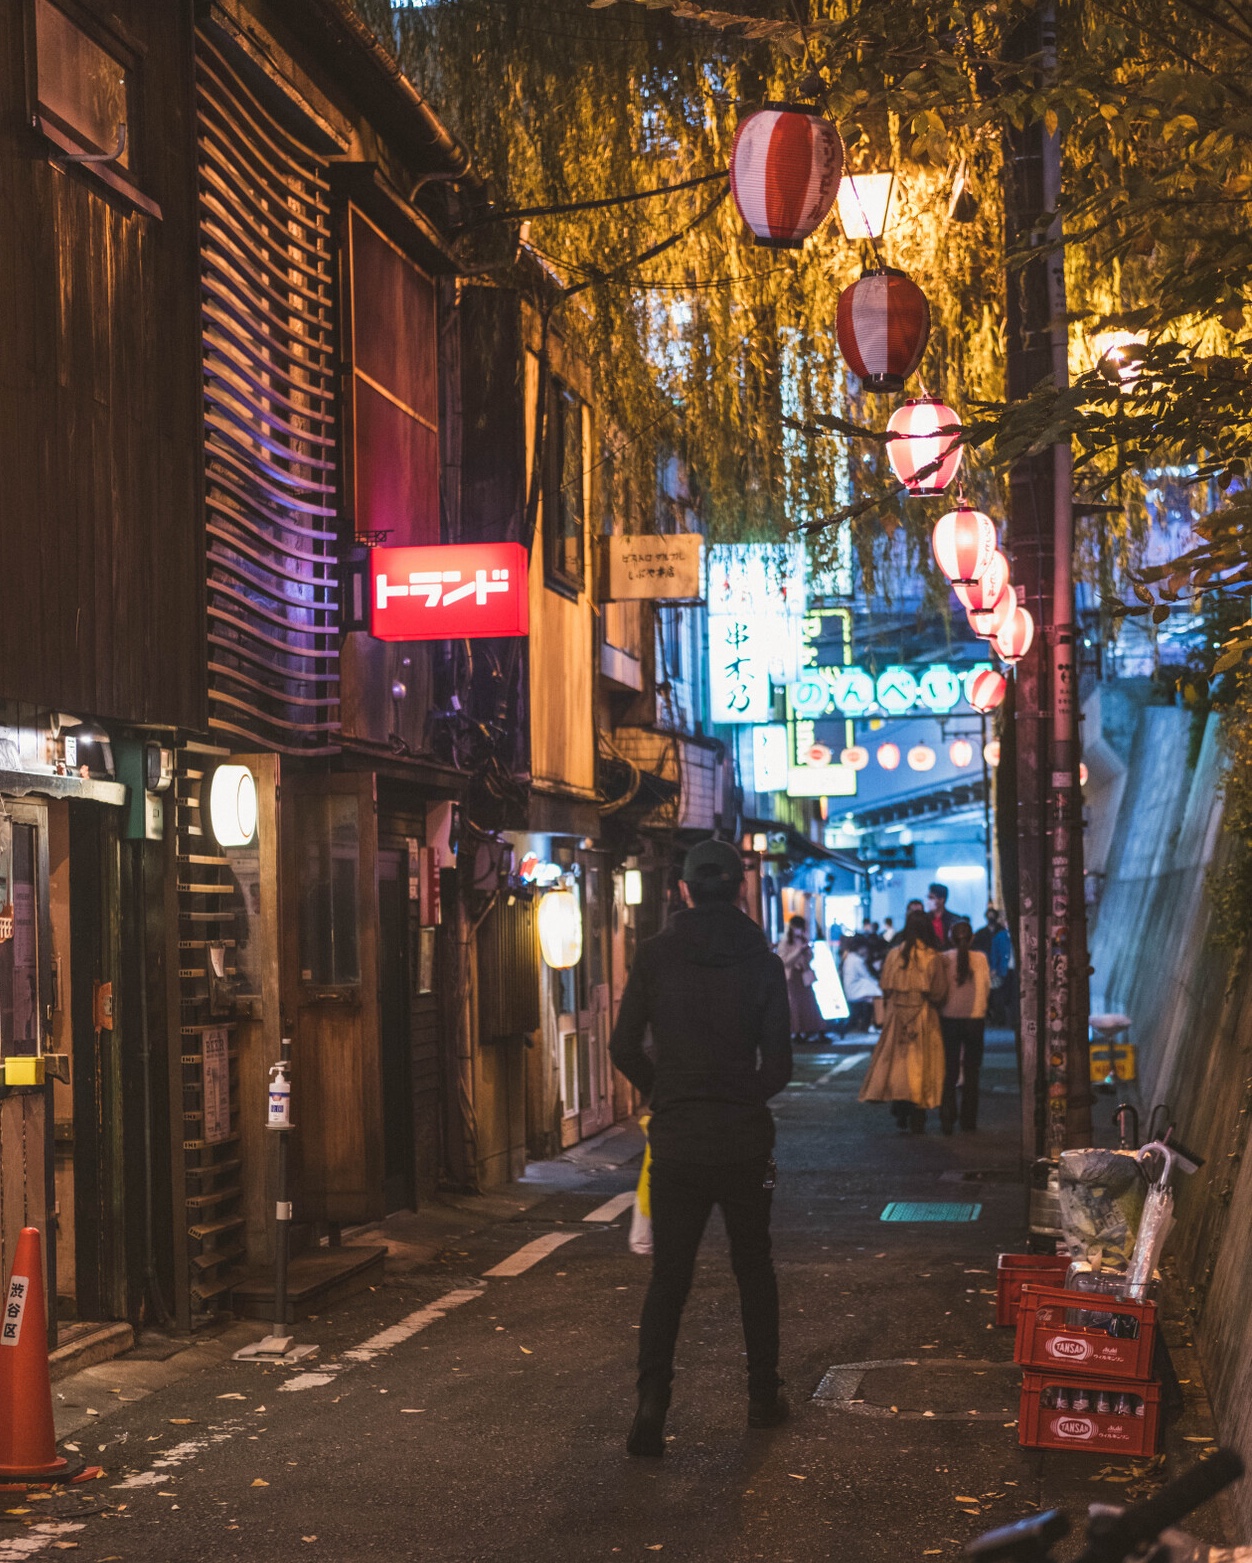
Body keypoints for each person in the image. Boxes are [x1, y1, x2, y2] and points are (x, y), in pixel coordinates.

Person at [609, 838, 792, 1458]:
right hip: (743, 1138)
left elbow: (623, 1044)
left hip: (679, 1142)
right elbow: (781, 1064)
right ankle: (763, 1396)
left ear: (683, 890)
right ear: (740, 889)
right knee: (754, 1267)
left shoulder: (657, 956)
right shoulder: (762, 961)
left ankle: (652, 1405)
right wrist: (743, 1094)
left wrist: (667, 1091)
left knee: (669, 1277)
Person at [859, 908, 948, 1133]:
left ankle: (900, 1106)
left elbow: (885, 987)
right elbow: (938, 992)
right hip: (924, 1016)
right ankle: (918, 1114)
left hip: (897, 1016)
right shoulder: (933, 957)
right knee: (923, 1066)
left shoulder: (893, 955)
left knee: (899, 1065)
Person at [938, 919, 991, 1133]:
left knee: (949, 1070)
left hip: (949, 1018)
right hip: (975, 1020)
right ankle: (968, 1121)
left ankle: (947, 1116)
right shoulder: (980, 959)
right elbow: (986, 988)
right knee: (972, 1071)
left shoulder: (943, 959)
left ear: (950, 938)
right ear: (972, 938)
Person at [776, 914, 826, 1042]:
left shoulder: (803, 939)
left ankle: (811, 1029)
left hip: (803, 975)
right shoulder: (785, 942)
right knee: (796, 1004)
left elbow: (809, 959)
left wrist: (807, 952)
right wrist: (799, 951)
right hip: (793, 976)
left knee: (810, 1003)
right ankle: (798, 1031)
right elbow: (784, 961)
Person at [840, 936, 881, 1035]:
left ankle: (872, 1024)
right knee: (878, 994)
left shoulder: (849, 957)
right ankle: (876, 1024)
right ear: (861, 947)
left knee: (874, 993)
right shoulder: (857, 960)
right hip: (855, 990)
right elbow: (867, 976)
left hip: (851, 989)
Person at [925, 882, 962, 950]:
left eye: (931, 898)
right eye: (928, 898)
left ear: (941, 900)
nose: (928, 901)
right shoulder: (924, 919)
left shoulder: (954, 920)